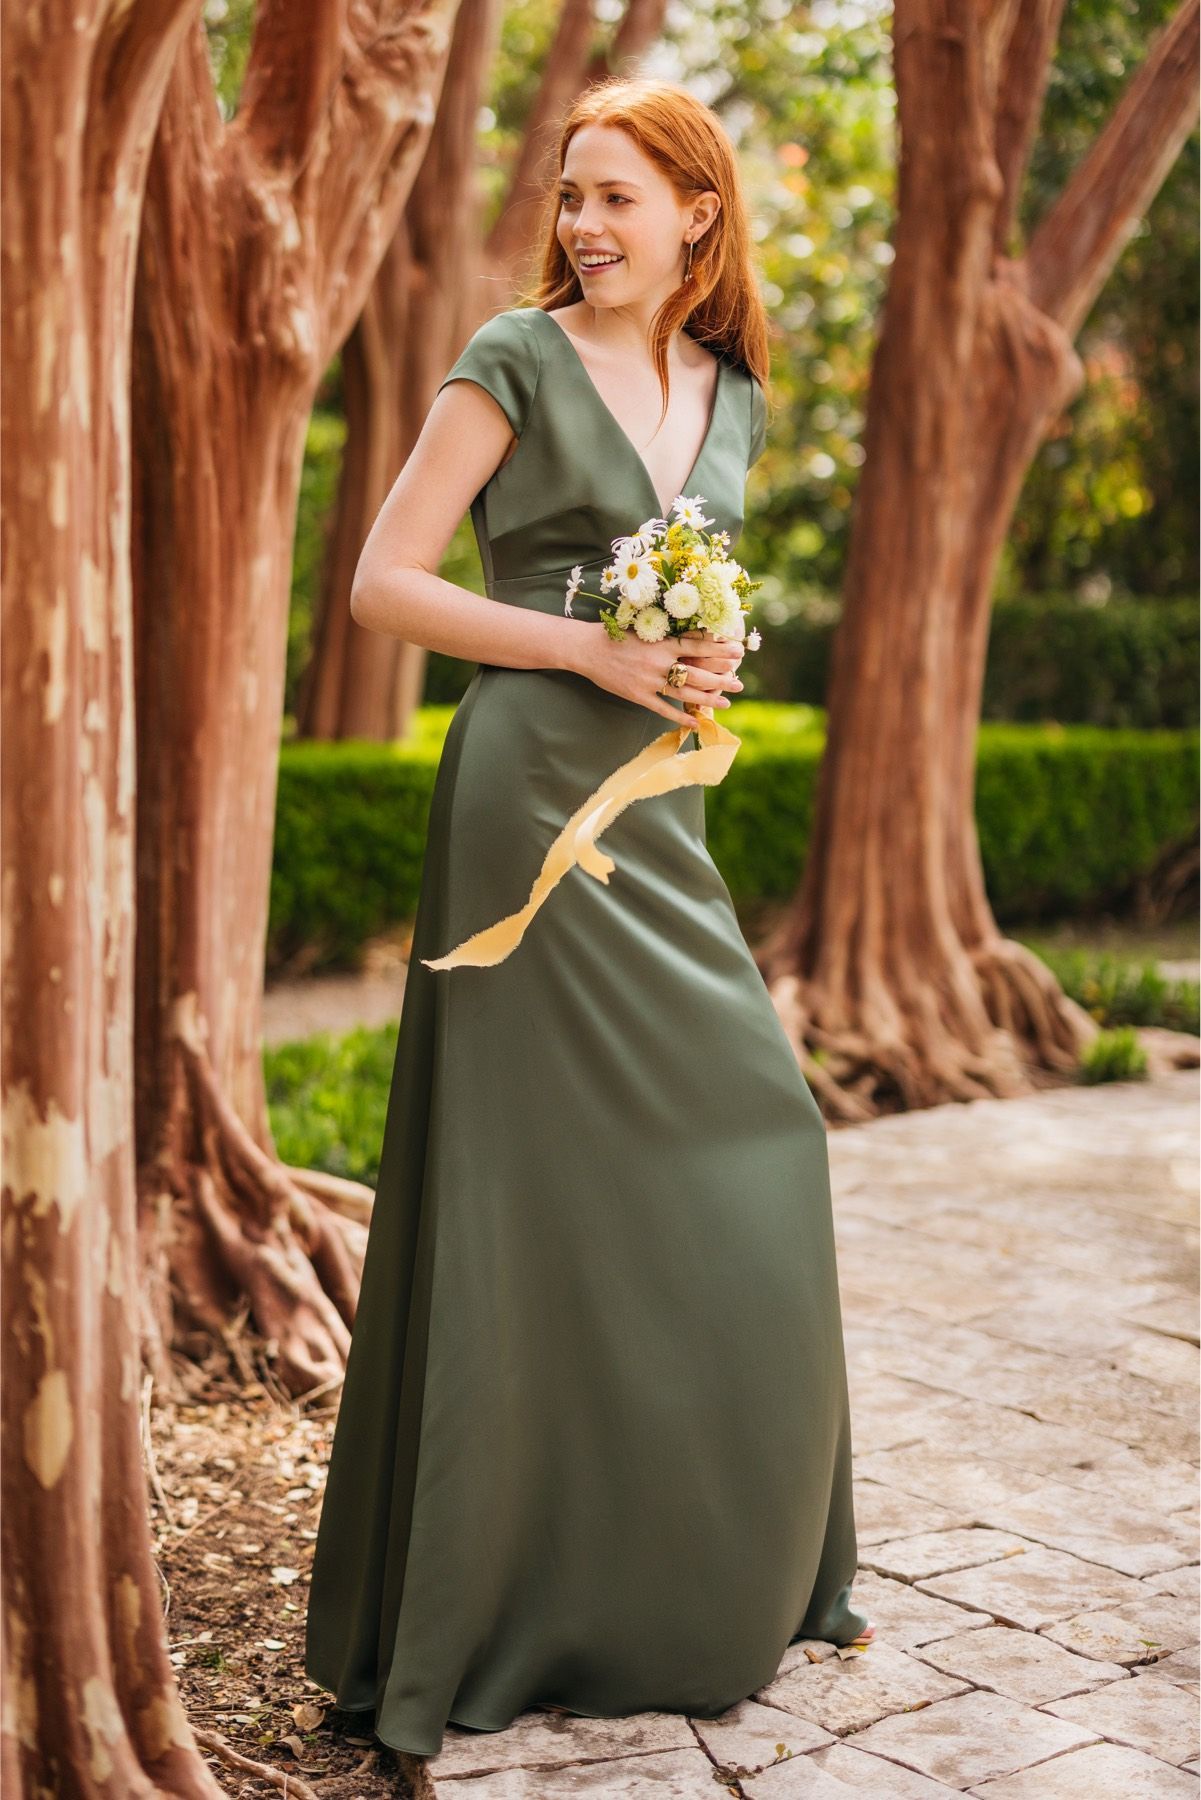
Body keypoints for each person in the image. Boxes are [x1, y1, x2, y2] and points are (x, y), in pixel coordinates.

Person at [304, 73, 873, 1762]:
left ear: (699, 213)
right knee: (522, 1201)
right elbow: (385, 582)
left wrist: (695, 667)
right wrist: (586, 648)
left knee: (758, 1137)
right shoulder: (512, 359)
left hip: (659, 814)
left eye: (617, 196)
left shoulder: (738, 395)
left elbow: (697, 601)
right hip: (523, 809)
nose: (583, 225)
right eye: (570, 195)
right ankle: (497, 1604)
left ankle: (695, 1576)